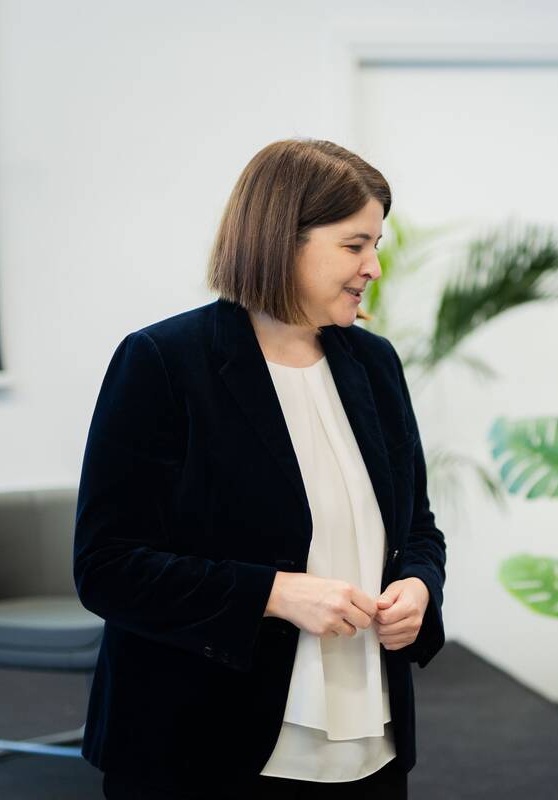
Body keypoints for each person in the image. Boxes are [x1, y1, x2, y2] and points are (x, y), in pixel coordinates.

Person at [73, 139, 447, 799]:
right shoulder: (163, 361)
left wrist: (418, 587)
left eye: (376, 245)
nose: (373, 267)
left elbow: (417, 527)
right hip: (204, 743)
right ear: (282, 241)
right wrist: (275, 594)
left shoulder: (375, 364)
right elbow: (108, 567)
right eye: (354, 245)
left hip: (371, 740)